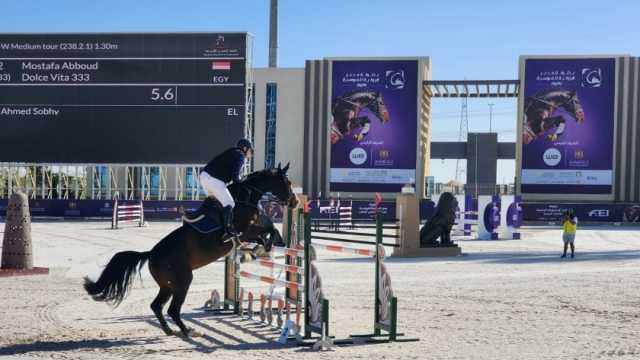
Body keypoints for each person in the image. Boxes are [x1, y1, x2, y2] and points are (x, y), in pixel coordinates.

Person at [200, 138, 253, 238]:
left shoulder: (232, 151)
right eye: (250, 151)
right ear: (245, 148)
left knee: (216, 204)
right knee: (230, 204)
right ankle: (228, 231)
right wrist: (243, 185)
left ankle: (210, 226)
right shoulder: (241, 155)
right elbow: (235, 177)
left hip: (204, 177)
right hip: (214, 180)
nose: (251, 154)